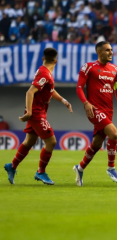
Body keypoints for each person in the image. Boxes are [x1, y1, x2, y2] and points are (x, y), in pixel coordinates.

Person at [4, 48, 73, 185]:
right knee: (51, 141)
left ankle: (12, 166)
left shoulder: (45, 72)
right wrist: (29, 112)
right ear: (56, 61)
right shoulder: (45, 74)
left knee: (29, 141)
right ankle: (40, 172)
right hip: (36, 113)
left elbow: (50, 90)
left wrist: (64, 101)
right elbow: (30, 92)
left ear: (43, 59)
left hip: (38, 111)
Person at [73, 41, 117, 187]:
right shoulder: (89, 67)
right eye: (107, 50)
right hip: (94, 109)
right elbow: (79, 88)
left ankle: (80, 168)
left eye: (111, 50)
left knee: (97, 144)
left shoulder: (115, 69)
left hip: (108, 111)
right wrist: (86, 103)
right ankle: (111, 167)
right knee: (114, 134)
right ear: (99, 52)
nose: (110, 52)